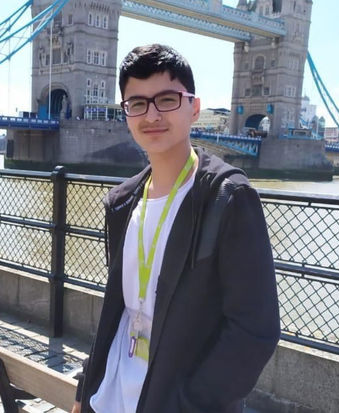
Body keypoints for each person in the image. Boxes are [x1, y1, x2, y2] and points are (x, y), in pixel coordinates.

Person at [72, 44, 280, 413]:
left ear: (194, 108)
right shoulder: (122, 202)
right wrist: (85, 390)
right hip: (110, 399)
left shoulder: (228, 199)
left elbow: (254, 331)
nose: (151, 114)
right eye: (137, 103)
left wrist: (189, 404)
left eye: (167, 99)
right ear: (125, 112)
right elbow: (117, 311)